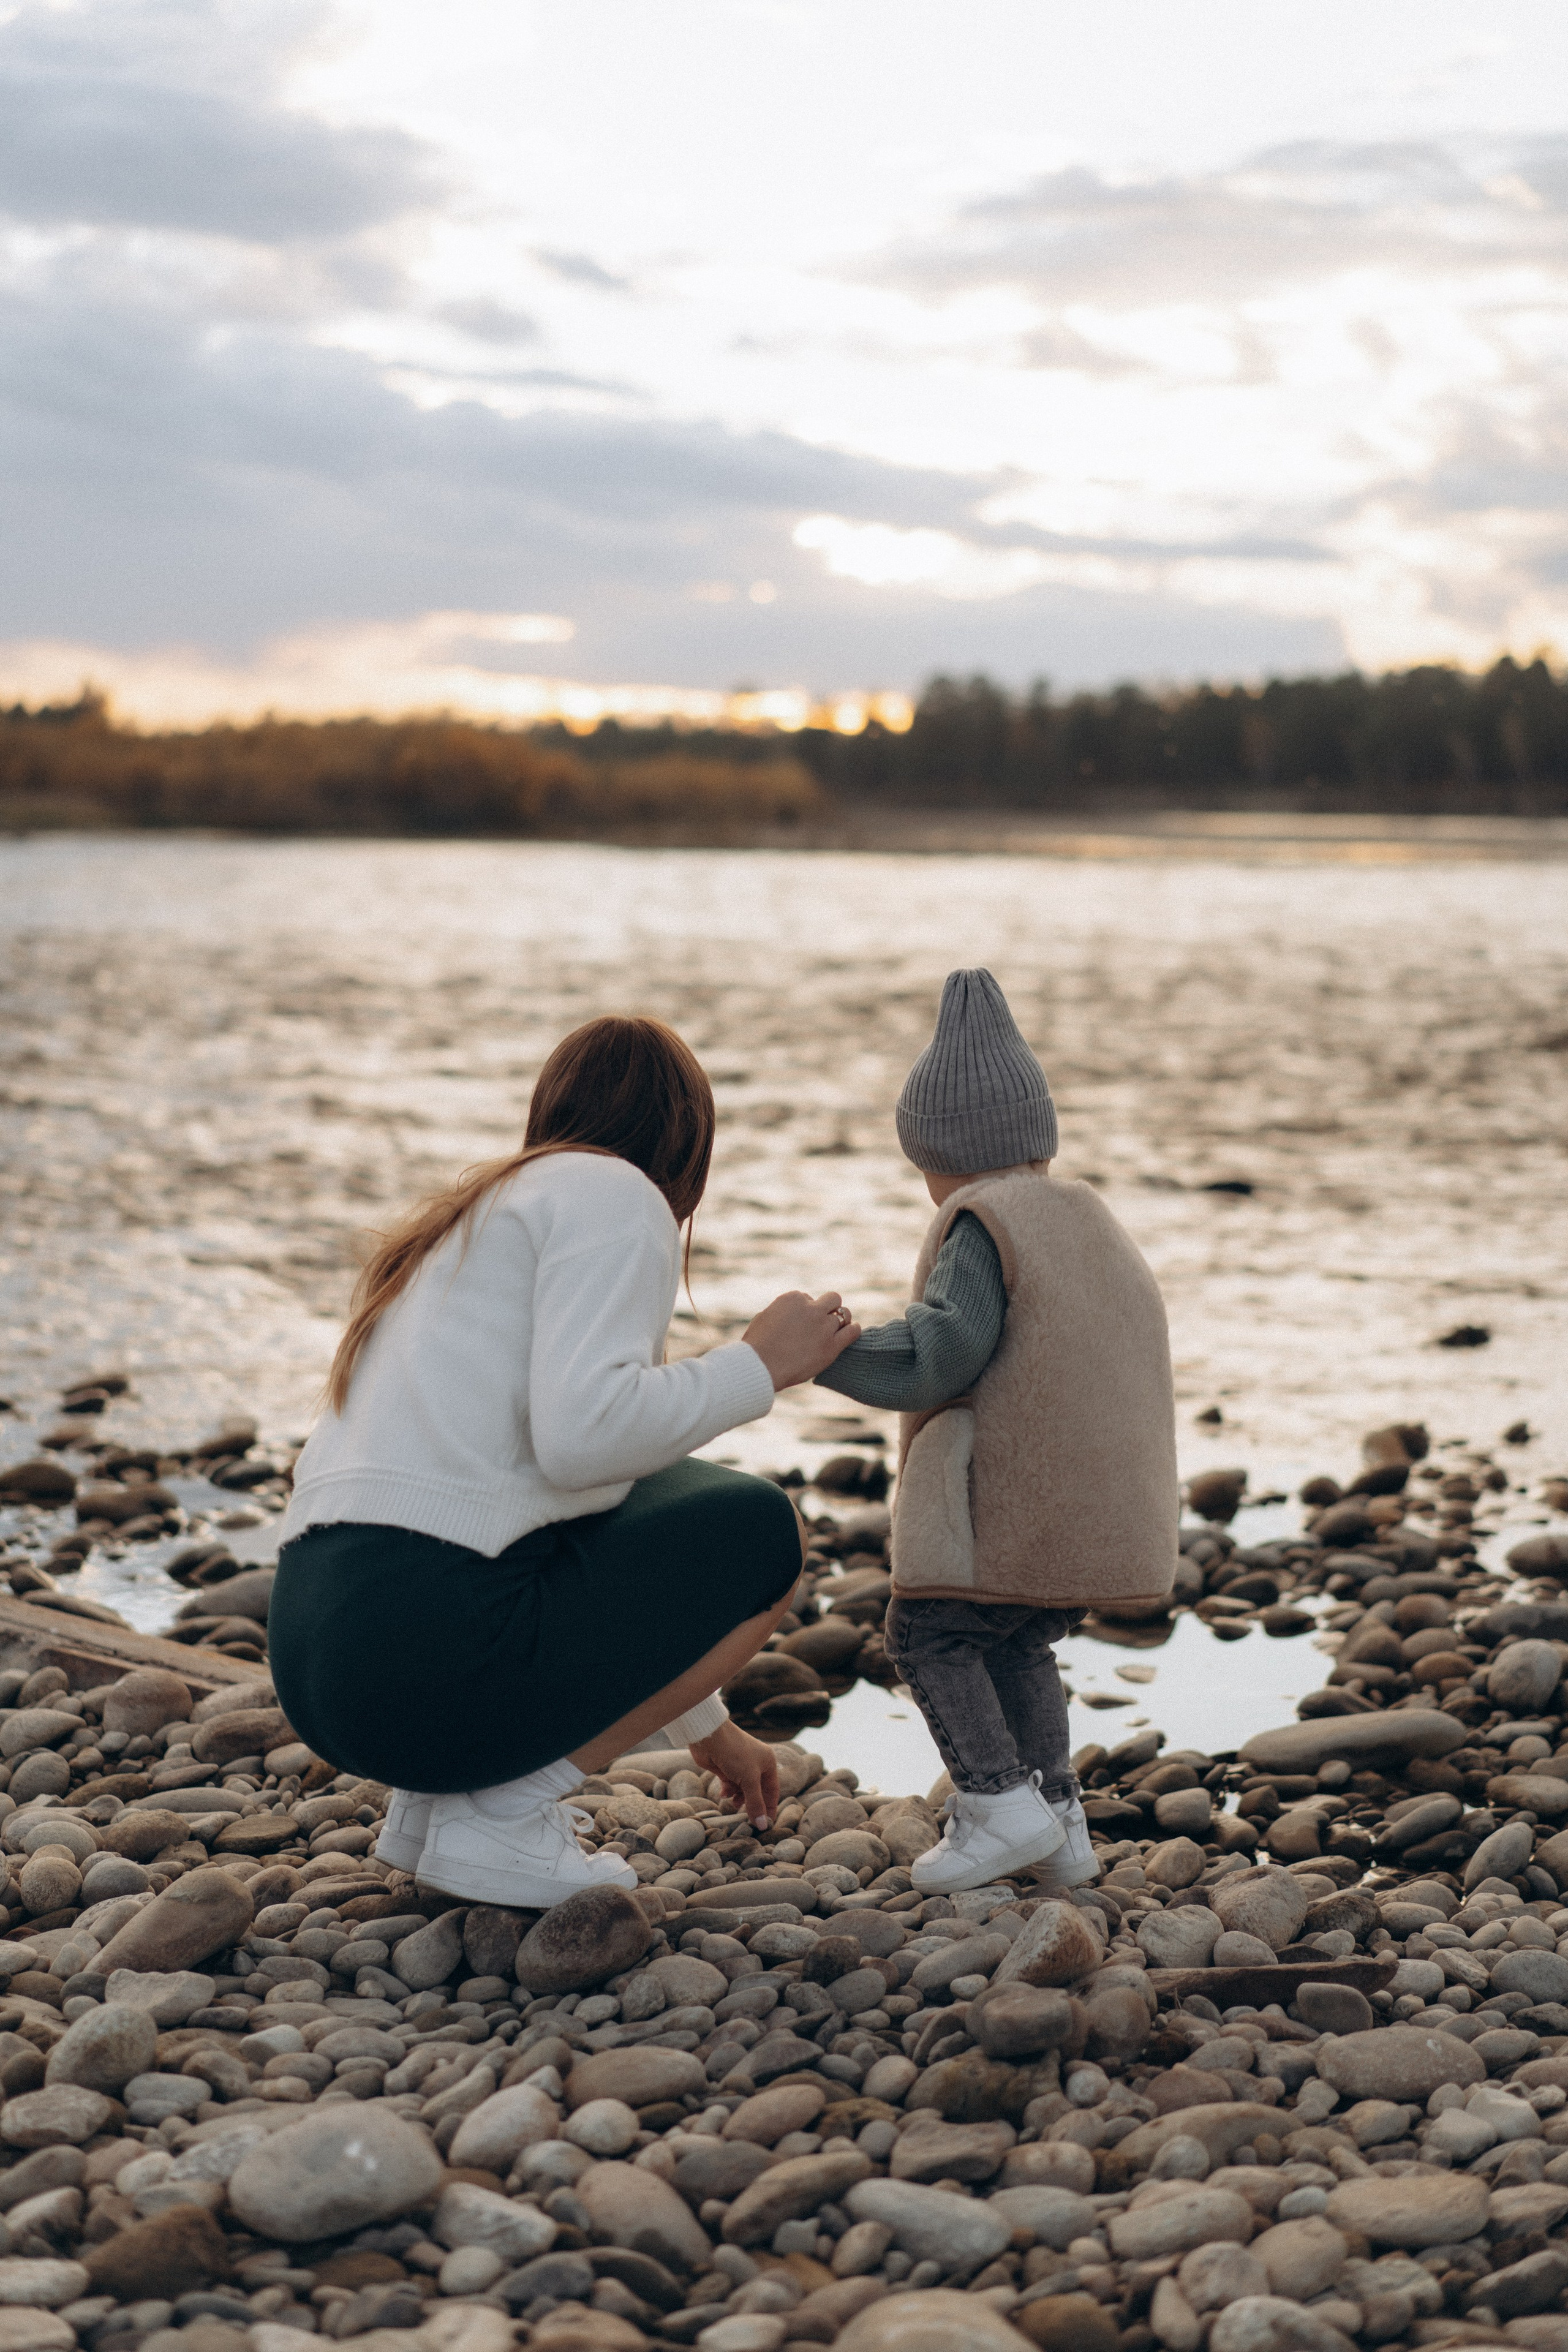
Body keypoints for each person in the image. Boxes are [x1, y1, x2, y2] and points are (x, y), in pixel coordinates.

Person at [270, 1014, 861, 1911]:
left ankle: (438, 1805)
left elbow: (579, 1498)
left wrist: (705, 1726)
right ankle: (502, 1812)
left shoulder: (479, 1214)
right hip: (415, 1652)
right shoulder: (616, 1194)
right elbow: (584, 1438)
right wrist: (761, 1366)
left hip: (323, 1662)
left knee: (667, 1487)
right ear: (687, 1146)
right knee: (759, 1532)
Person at [816, 968, 1178, 1893]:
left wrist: (828, 1353)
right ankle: (1059, 1820)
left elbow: (943, 1354)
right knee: (1017, 1641)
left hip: (1010, 1504)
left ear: (941, 1153)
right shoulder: (1089, 1218)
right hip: (1094, 1505)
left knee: (928, 1633)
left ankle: (995, 1803)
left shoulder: (980, 1223)